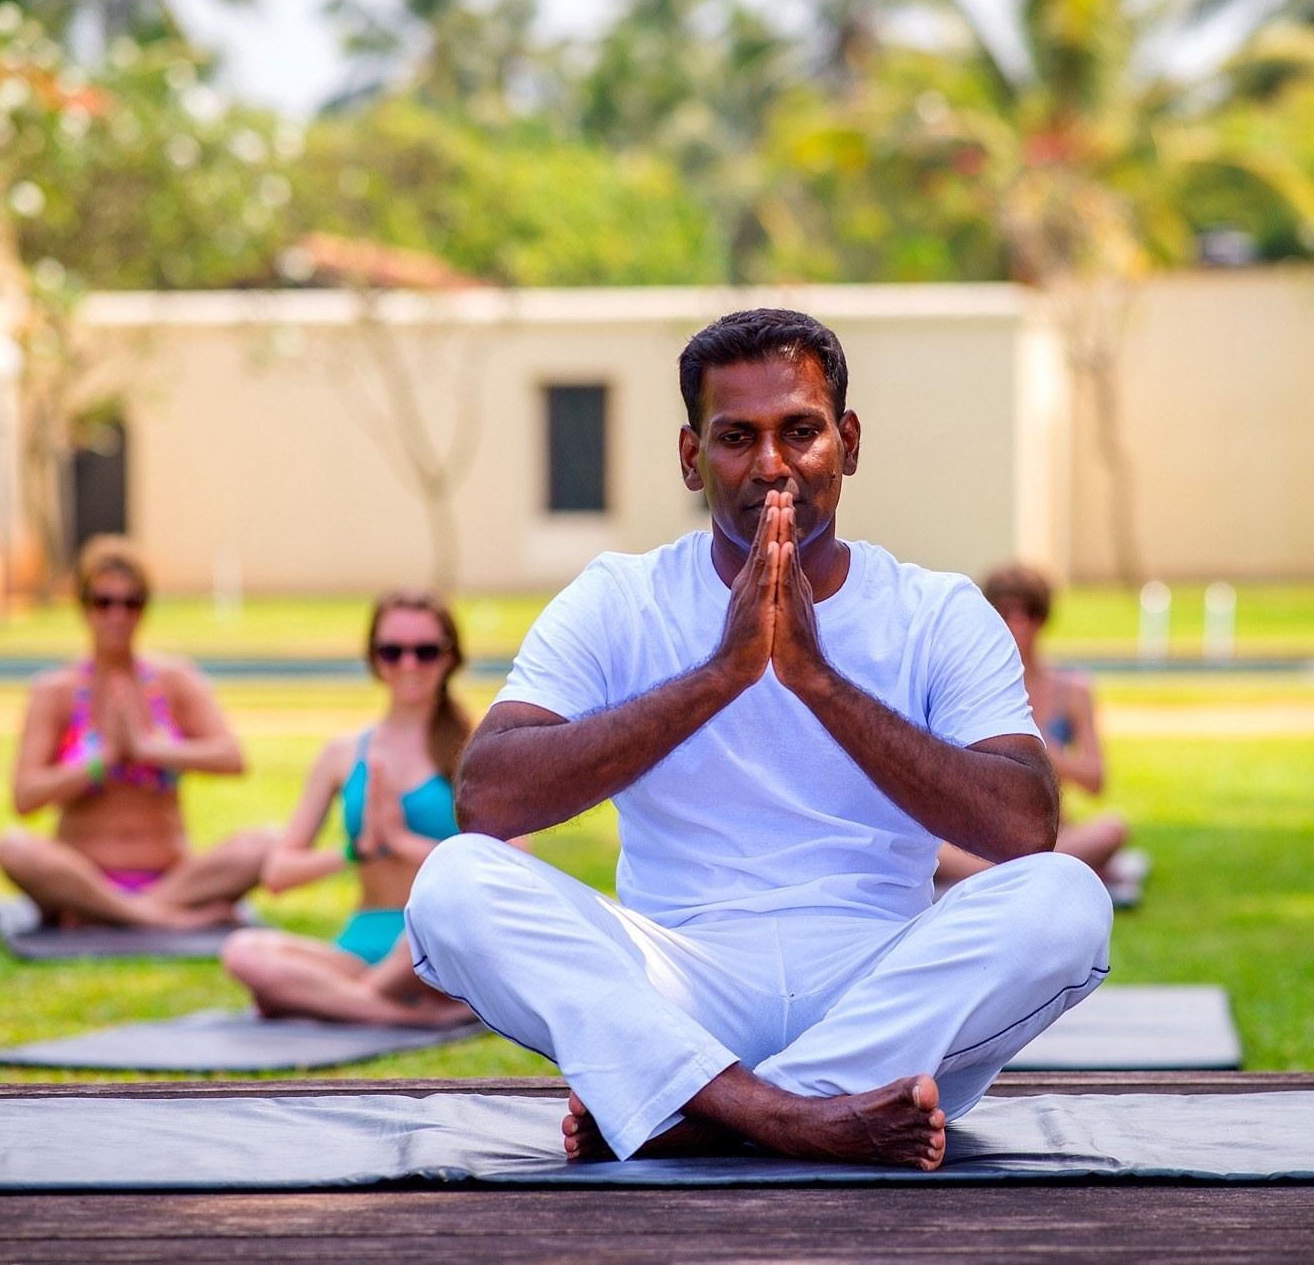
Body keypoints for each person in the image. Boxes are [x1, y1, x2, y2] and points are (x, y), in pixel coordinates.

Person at [405, 308, 1112, 1171]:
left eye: (801, 431)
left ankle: (694, 1107)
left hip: (881, 993)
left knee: (1066, 899)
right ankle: (801, 1116)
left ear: (848, 442)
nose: (771, 464)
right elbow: (486, 798)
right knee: (453, 883)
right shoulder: (620, 598)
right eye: (736, 436)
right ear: (690, 457)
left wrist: (818, 679)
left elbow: (1024, 826)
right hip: (678, 984)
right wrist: (718, 677)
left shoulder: (935, 611)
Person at [220, 590, 487, 1028]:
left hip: (434, 945)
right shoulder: (342, 754)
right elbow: (278, 872)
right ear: (374, 658)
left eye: (425, 651)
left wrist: (401, 842)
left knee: (427, 936)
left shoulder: (477, 753)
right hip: (359, 946)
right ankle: (409, 1015)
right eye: (392, 651)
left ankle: (334, 1001)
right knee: (243, 951)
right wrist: (353, 852)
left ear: (450, 658)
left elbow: (512, 868)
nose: (408, 665)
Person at [0, 535, 269, 929]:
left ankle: (118, 914)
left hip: (174, 878)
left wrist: (148, 749)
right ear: (84, 607)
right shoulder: (56, 690)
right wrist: (101, 761)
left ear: (144, 609)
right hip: (83, 875)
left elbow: (232, 758)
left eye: (131, 602)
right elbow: (25, 796)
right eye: (104, 602)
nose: (117, 615)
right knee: (13, 847)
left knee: (268, 844)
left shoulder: (175, 680)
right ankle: (163, 921)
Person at [938, 565, 1132, 893]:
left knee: (1113, 830)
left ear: (1041, 620)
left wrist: (1038, 753)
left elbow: (1095, 778)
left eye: (1027, 614)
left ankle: (999, 876)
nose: (1018, 625)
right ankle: (1032, 874)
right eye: (1006, 614)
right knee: (927, 848)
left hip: (1048, 834)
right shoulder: (968, 685)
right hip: (981, 833)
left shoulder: (1071, 690)